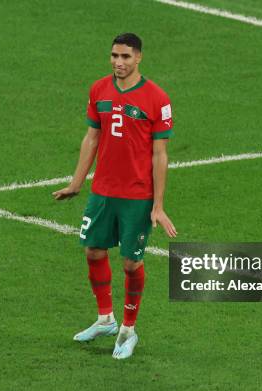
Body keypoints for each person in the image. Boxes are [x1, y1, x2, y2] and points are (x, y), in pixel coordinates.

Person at [52, 33, 177, 359]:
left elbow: (159, 155)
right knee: (93, 252)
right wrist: (77, 183)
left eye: (125, 57)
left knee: (131, 262)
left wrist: (158, 205)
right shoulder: (98, 90)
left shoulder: (157, 98)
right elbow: (92, 138)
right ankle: (105, 318)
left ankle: (128, 330)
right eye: (114, 56)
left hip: (137, 196)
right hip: (103, 191)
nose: (118, 63)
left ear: (139, 58)